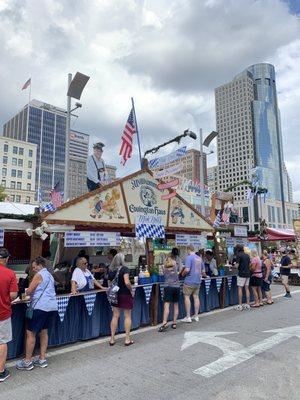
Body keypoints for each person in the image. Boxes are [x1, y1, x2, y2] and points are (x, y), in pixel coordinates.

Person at [16, 257, 57, 371]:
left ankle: (28, 361)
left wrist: (23, 294)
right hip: (52, 307)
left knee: (31, 334)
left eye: (34, 267)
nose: (33, 269)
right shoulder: (50, 275)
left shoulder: (39, 275)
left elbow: (29, 291)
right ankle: (42, 359)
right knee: (44, 332)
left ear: (40, 265)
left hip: (40, 307)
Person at [108, 253, 134, 346]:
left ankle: (112, 339)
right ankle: (127, 339)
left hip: (115, 295)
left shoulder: (111, 270)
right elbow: (127, 282)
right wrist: (131, 289)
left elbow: (109, 283)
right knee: (127, 316)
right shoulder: (125, 269)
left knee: (115, 316)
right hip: (125, 294)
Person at [0, 248, 18, 382]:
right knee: (1, 342)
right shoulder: (10, 273)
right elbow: (13, 295)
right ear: (6, 259)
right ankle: (0, 372)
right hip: (3, 313)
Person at [158, 248, 182, 332]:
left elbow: (162, 273)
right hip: (176, 286)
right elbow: (180, 272)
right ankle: (174, 323)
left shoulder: (166, 262)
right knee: (176, 305)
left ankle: (164, 323)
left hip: (168, 286)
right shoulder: (177, 262)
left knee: (167, 305)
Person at [181, 245, 206, 323]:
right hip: (197, 281)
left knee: (187, 297)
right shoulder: (199, 258)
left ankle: (188, 317)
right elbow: (203, 272)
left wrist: (182, 274)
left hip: (189, 281)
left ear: (188, 250)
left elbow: (187, 269)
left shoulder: (189, 258)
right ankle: (196, 316)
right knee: (196, 297)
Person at [234, 245, 251, 311]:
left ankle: (240, 305)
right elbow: (249, 265)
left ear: (237, 249)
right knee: (247, 288)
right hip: (248, 273)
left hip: (241, 274)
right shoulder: (247, 255)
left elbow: (237, 266)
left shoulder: (238, 255)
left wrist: (234, 265)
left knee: (240, 288)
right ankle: (248, 304)